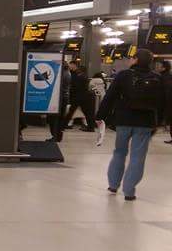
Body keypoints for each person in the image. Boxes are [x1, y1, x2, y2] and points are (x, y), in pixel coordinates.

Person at [95, 49, 166, 201]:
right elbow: (162, 103)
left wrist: (100, 116)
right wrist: (158, 122)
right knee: (138, 157)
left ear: (135, 60)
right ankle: (129, 191)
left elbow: (110, 96)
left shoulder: (124, 75)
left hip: (124, 120)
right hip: (145, 123)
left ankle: (113, 185)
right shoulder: (157, 78)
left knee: (119, 152)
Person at [64, 61, 95, 131]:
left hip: (79, 96)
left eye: (71, 65)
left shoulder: (79, 75)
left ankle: (64, 125)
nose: (70, 66)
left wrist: (71, 90)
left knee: (72, 111)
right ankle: (91, 127)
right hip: (82, 96)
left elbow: (76, 86)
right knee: (86, 112)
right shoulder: (81, 75)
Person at [47, 61, 71, 142]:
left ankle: (55, 136)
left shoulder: (62, 74)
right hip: (64, 98)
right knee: (59, 118)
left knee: (54, 118)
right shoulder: (68, 73)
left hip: (59, 98)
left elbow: (55, 85)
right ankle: (57, 137)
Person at [155, 60, 172, 144]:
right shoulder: (166, 76)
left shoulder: (164, 77)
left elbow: (166, 92)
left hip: (168, 104)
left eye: (159, 66)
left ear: (164, 68)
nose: (158, 67)